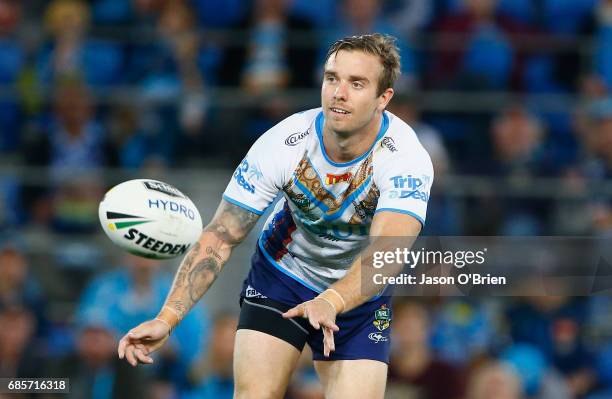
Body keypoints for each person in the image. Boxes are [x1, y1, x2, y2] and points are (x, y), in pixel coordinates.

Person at [118, 33, 433, 398]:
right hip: (282, 277)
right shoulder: (283, 143)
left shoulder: (406, 158)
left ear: (384, 98)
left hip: (358, 293)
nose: (338, 93)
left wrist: (331, 301)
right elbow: (221, 235)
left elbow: (387, 253)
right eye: (332, 78)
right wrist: (167, 317)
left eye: (357, 83)